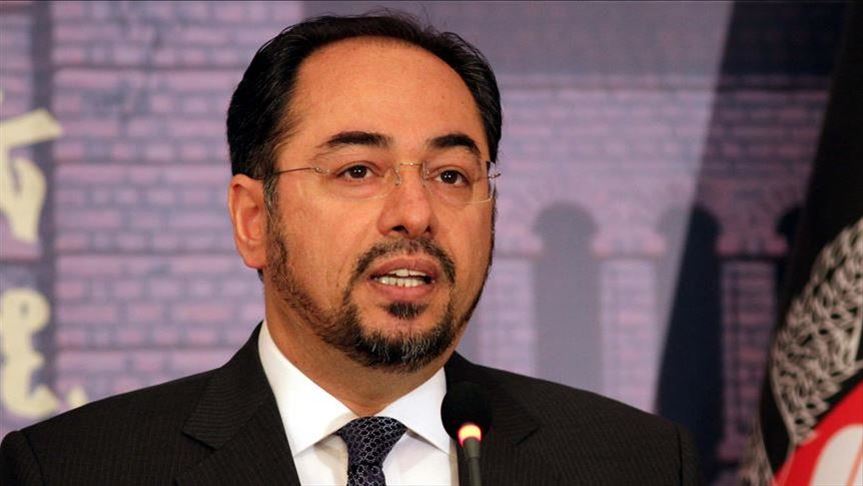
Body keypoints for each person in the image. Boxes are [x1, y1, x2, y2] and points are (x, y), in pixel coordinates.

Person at [1, 13, 701, 485]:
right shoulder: (73, 469)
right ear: (253, 219)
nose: (415, 214)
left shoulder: (632, 464)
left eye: (451, 176)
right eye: (358, 171)